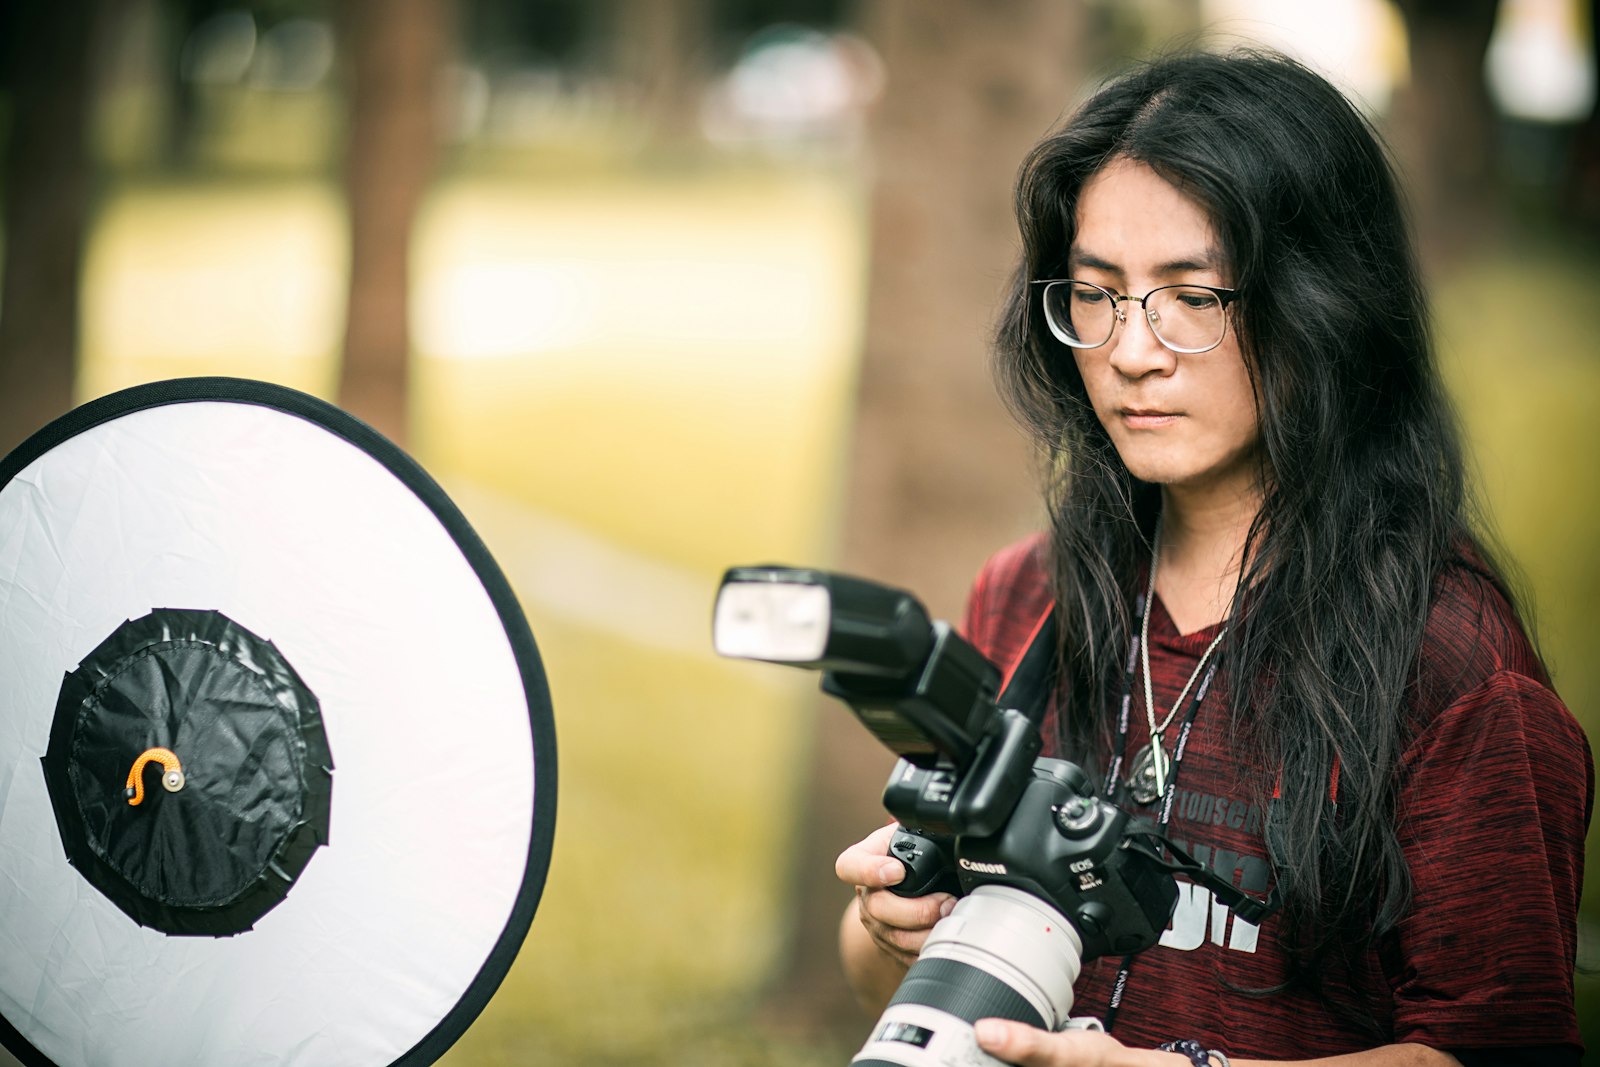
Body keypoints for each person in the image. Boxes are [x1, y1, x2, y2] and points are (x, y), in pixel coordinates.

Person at [834, 49, 1592, 1066]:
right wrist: (886, 920)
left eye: (1192, 296)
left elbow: (1497, 1046)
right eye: (1096, 294)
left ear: (1324, 302)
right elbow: (891, 978)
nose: (1131, 350)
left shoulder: (1452, 669)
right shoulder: (1027, 595)